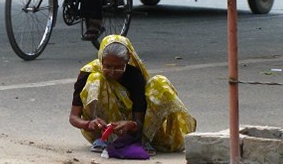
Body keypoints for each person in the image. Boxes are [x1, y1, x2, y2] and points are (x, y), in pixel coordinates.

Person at [69, 35, 197, 154]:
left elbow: (139, 119)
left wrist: (132, 125)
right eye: (107, 66)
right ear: (101, 59)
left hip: (130, 128)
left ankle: (144, 139)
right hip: (100, 129)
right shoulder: (88, 72)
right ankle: (102, 139)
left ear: (128, 60)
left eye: (119, 67)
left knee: (159, 82)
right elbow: (73, 117)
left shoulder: (135, 76)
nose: (113, 72)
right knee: (95, 79)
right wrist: (88, 124)